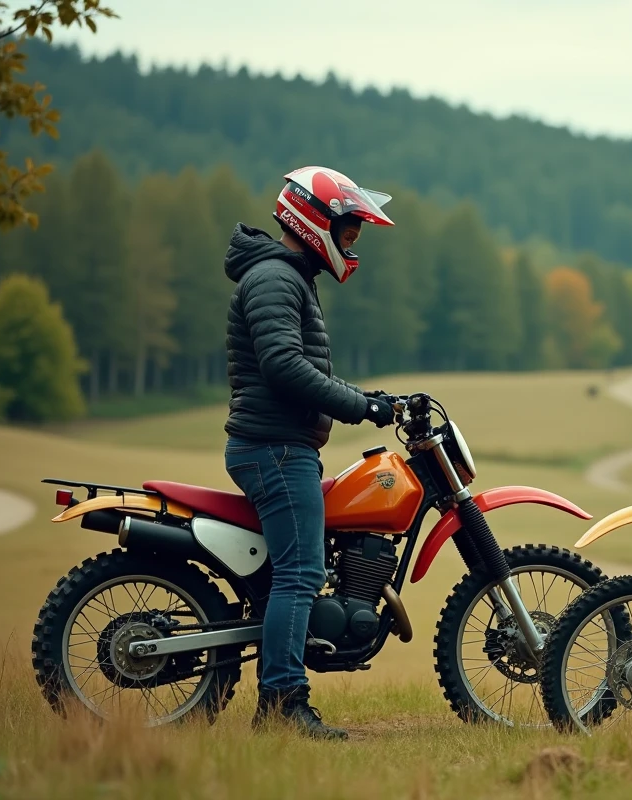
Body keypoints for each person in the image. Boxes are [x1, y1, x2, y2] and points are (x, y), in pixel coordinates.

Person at [222, 166, 400, 739]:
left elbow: (302, 364)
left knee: (296, 570)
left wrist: (370, 399)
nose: (352, 246)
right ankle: (281, 704)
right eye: (348, 233)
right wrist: (359, 407)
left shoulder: (288, 276)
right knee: (301, 573)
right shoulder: (276, 277)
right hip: (274, 448)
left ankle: (282, 693)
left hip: (281, 446)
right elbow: (284, 366)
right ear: (315, 221)